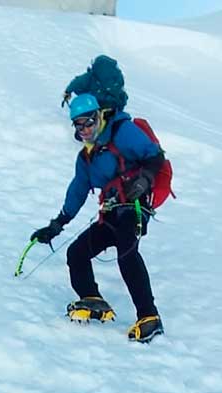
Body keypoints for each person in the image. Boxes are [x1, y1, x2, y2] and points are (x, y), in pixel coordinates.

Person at [31, 93, 166, 342]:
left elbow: (156, 156)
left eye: (89, 122)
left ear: (99, 116)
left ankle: (150, 317)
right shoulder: (86, 158)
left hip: (135, 206)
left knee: (127, 254)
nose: (85, 129)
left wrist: (145, 179)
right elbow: (78, 191)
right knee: (77, 252)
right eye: (79, 125)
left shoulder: (122, 132)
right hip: (111, 212)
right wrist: (57, 225)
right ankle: (93, 299)